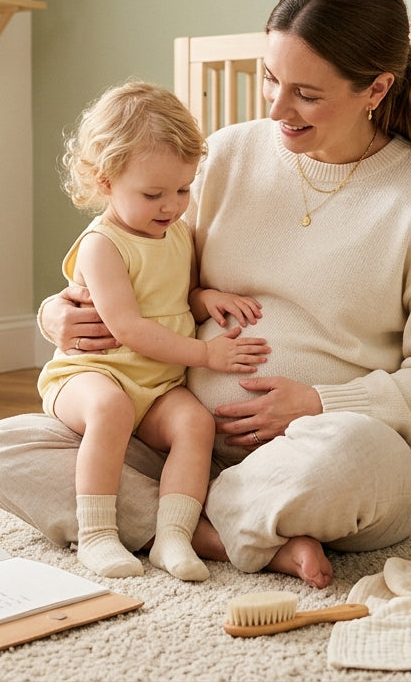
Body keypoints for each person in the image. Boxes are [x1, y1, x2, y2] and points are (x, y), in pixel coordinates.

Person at [0, 0, 411, 589]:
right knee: (2, 452)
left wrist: (318, 401)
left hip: (326, 453)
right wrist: (58, 312)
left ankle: (185, 519)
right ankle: (220, 531)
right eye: (271, 78)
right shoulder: (228, 154)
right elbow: (140, 258)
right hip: (181, 437)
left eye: (307, 93)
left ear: (375, 90)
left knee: (349, 455)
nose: (276, 108)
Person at [39, 81, 269, 581]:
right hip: (92, 374)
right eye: (153, 194)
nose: (171, 205)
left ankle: (173, 536)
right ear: (104, 182)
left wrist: (207, 298)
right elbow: (129, 328)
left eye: (183, 190)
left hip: (156, 383)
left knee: (195, 425)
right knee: (111, 408)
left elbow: (174, 298)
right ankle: (97, 535)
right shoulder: (103, 245)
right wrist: (206, 356)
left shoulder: (177, 233)